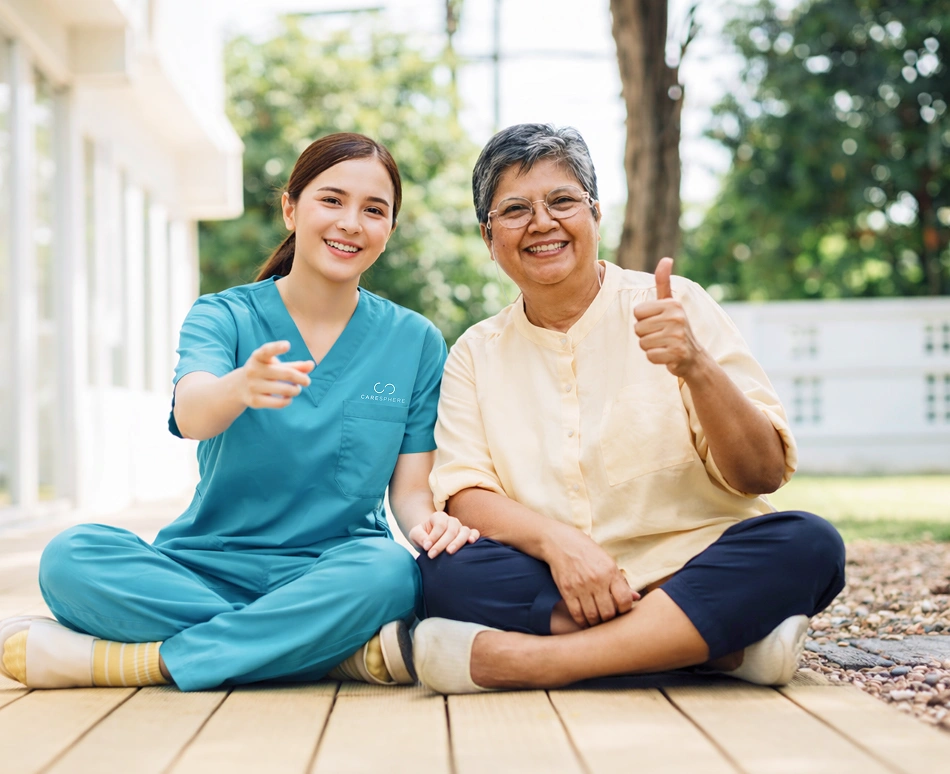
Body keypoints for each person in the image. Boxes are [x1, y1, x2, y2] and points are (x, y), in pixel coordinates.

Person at [0, 132, 477, 692]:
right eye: (332, 199)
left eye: (374, 210)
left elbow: (409, 491)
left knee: (393, 572)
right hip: (202, 567)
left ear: (389, 231)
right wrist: (239, 388)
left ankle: (141, 663)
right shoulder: (222, 316)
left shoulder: (415, 340)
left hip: (332, 572)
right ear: (291, 207)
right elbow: (193, 413)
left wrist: (430, 525)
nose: (351, 222)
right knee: (69, 557)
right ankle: (331, 654)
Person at [411, 123, 845, 694]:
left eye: (562, 201)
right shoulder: (475, 351)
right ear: (490, 238)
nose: (542, 223)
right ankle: (715, 650)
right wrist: (561, 546)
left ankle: (532, 662)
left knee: (809, 546)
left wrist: (696, 365)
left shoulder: (675, 304)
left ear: (594, 215)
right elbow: (468, 492)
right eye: (515, 210)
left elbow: (760, 473)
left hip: (694, 562)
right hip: (557, 577)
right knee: (441, 573)